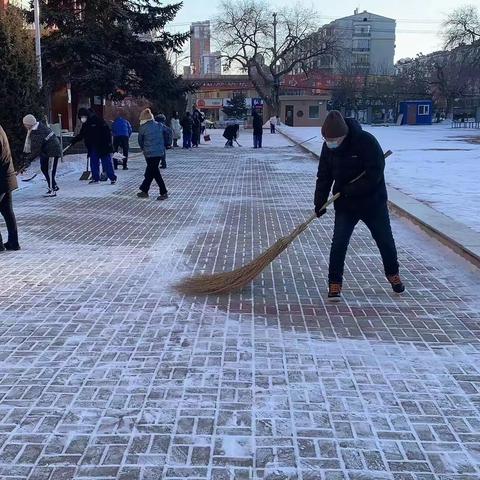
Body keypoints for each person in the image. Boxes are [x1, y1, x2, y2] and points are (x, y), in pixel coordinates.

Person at [314, 110, 405, 301]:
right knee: (339, 243)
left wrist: (350, 189)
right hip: (345, 205)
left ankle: (393, 274)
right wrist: (320, 201)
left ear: (344, 135)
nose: (331, 143)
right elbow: (324, 175)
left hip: (373, 203)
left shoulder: (366, 141)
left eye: (334, 139)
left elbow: (375, 175)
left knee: (385, 241)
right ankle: (334, 283)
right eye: (327, 139)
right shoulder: (328, 147)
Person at [71, 108, 117, 185]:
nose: (82, 119)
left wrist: (109, 143)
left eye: (83, 117)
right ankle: (96, 178)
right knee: (94, 162)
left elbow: (107, 132)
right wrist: (74, 141)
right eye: (80, 117)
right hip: (93, 146)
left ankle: (112, 178)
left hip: (103, 146)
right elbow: (82, 134)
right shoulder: (85, 124)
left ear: (86, 115)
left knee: (106, 162)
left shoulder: (98, 120)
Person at [22, 114, 62, 197]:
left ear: (29, 124)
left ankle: (53, 190)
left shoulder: (37, 131)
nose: (24, 126)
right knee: (44, 168)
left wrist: (28, 160)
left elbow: (36, 148)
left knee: (50, 170)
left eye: (25, 124)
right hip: (45, 151)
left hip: (52, 150)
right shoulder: (35, 128)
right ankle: (53, 185)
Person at [137, 108, 168, 200]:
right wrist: (166, 143)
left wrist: (143, 148)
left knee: (154, 172)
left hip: (149, 153)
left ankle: (163, 192)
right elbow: (168, 132)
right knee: (151, 171)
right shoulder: (159, 125)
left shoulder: (142, 128)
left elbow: (140, 141)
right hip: (159, 152)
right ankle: (144, 190)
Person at [0, 125, 20, 251]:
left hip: (1, 178)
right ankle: (13, 242)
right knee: (7, 210)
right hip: (7, 177)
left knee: (7, 211)